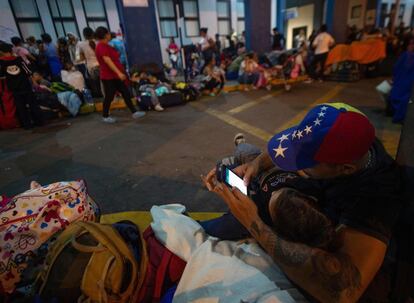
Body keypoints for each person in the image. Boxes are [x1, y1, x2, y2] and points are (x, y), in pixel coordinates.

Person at [203, 103, 403, 303]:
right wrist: (256, 165)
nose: (293, 162)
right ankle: (242, 147)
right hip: (290, 192)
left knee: (217, 224)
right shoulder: (350, 133)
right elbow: (284, 150)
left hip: (298, 217)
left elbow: (344, 291)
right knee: (247, 154)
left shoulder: (375, 197)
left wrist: (253, 223)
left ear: (346, 169)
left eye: (304, 162)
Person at [94, 26, 145, 123]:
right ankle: (105, 116)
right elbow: (107, 61)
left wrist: (119, 73)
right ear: (105, 35)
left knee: (125, 92)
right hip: (108, 76)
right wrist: (118, 72)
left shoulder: (106, 45)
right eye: (108, 33)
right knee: (109, 96)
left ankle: (134, 112)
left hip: (115, 75)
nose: (110, 35)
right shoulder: (101, 46)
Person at [0, 43, 43, 129]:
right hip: (25, 85)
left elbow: (2, 75)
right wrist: (33, 81)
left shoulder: (1, 62)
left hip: (14, 88)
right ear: (10, 51)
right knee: (32, 104)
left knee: (21, 107)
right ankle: (39, 121)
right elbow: (27, 71)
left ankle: (27, 125)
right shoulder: (18, 59)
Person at [388, 38, 414, 123]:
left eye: (411, 44)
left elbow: (396, 67)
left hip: (401, 83)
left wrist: (393, 78)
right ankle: (399, 116)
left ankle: (395, 114)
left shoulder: (406, 55)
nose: (410, 46)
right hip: (406, 84)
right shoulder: (406, 55)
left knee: (397, 97)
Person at [78, 27, 101, 97]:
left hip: (91, 67)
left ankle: (99, 96)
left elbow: (79, 58)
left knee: (95, 83)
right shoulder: (98, 42)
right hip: (101, 65)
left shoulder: (81, 44)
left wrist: (87, 57)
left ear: (84, 35)